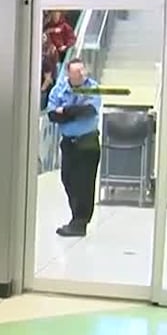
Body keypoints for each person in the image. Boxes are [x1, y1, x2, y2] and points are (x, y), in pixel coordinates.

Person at [47, 58, 102, 237]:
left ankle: (80, 222)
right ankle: (75, 216)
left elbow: (88, 111)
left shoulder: (92, 88)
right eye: (76, 72)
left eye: (82, 72)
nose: (81, 75)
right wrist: (70, 112)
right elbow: (52, 114)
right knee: (68, 179)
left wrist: (67, 111)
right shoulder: (60, 89)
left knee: (84, 184)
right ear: (69, 73)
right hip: (68, 143)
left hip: (87, 143)